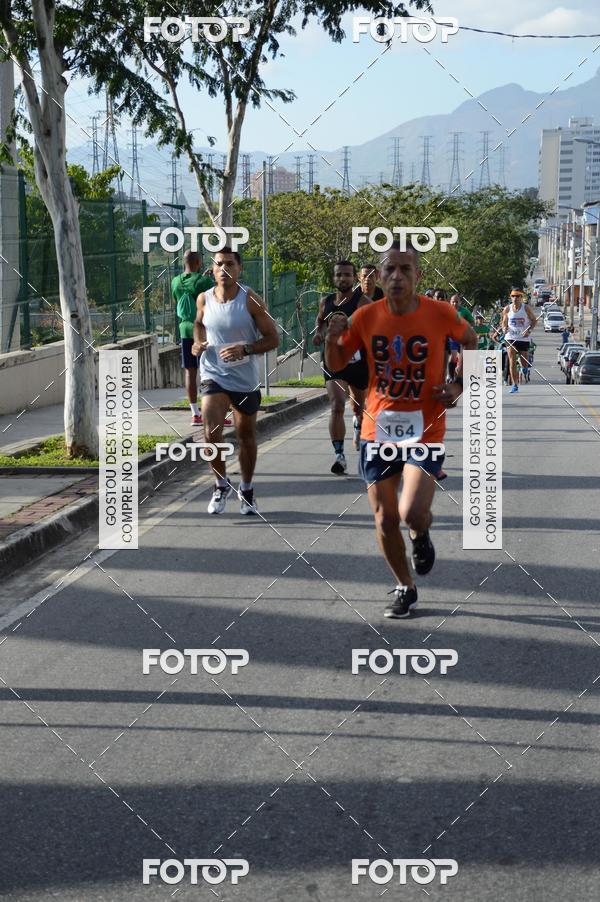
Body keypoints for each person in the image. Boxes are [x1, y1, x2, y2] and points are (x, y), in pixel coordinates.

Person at [325, 240, 477, 619]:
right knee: (384, 517)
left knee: (411, 512)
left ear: (418, 276)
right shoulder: (365, 317)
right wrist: (331, 338)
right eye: (389, 269)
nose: (396, 276)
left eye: (405, 269)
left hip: (425, 430)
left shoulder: (440, 313)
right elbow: (337, 364)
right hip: (377, 429)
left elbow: (471, 341)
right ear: (379, 276)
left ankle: (421, 533)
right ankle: (405, 587)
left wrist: (459, 385)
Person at [192, 247, 279, 515]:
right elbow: (198, 324)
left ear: (239, 269)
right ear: (212, 269)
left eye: (230, 264)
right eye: (219, 264)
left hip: (244, 378)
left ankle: (247, 488)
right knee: (211, 432)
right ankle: (221, 485)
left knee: (246, 436)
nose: (224, 269)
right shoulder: (204, 298)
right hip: (213, 374)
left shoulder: (250, 300)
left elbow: (273, 338)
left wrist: (246, 349)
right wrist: (197, 343)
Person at [313, 261, 372, 471]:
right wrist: (319, 334)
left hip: (358, 362)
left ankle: (358, 423)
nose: (342, 278)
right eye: (339, 275)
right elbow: (320, 322)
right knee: (337, 405)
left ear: (354, 278)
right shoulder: (326, 302)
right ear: (333, 278)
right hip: (333, 361)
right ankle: (339, 456)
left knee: (359, 407)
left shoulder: (363, 302)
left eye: (347, 275)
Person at [171, 250, 213, 425]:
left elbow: (177, 300)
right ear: (198, 263)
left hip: (184, 329)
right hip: (202, 330)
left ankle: (195, 414)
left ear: (184, 262)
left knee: (190, 370)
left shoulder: (175, 282)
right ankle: (210, 413)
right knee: (208, 371)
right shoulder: (205, 282)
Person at [500, 288, 536, 394]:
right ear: (510, 297)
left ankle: (524, 369)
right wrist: (504, 328)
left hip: (523, 338)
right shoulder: (507, 309)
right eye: (513, 296)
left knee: (524, 362)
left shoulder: (526, 308)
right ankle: (514, 385)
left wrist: (529, 330)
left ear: (521, 297)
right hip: (510, 337)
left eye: (517, 296)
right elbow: (504, 322)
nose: (515, 298)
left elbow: (534, 320)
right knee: (512, 360)